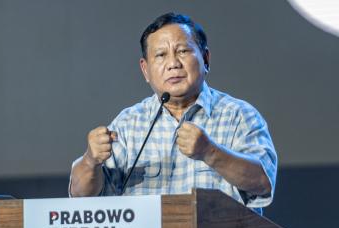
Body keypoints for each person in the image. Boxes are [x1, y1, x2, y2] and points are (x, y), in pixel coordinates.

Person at [69, 12, 277, 214]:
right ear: (145, 70)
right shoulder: (128, 124)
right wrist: (90, 160)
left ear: (205, 59)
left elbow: (262, 183)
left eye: (183, 51)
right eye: (160, 55)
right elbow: (81, 199)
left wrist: (210, 152)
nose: (173, 64)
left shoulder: (238, 116)